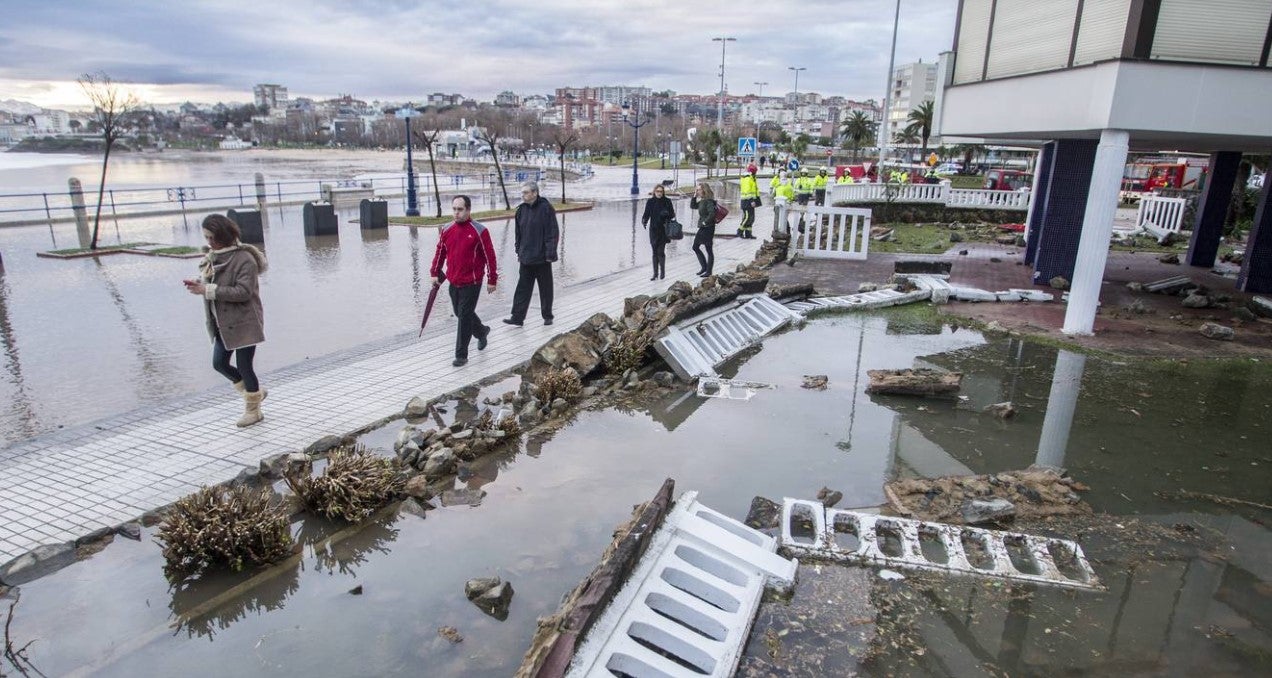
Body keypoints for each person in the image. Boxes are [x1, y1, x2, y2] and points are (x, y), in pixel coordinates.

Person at [183, 214, 268, 427]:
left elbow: (243, 292)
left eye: (212, 237)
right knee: (219, 363)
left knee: (244, 365)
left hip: (244, 322)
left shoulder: (244, 259)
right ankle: (254, 393)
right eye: (206, 237)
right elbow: (215, 285)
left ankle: (253, 409)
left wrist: (207, 289)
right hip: (221, 322)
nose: (209, 242)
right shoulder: (214, 257)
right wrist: (199, 285)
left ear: (224, 235)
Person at [431, 195, 498, 367]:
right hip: (454, 280)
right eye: (454, 209)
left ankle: (461, 355)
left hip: (472, 281)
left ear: (468, 210)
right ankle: (482, 331)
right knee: (460, 312)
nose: (456, 213)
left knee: (464, 316)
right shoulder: (446, 229)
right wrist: (435, 273)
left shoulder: (480, 230)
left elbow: (489, 256)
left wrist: (492, 279)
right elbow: (440, 252)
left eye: (460, 209)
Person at [504, 181, 558, 327]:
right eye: (522, 193)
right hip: (526, 258)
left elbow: (552, 232)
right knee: (522, 289)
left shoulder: (546, 208)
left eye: (526, 192)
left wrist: (550, 254)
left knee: (545, 288)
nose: (523, 195)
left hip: (542, 258)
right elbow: (518, 234)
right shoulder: (521, 210)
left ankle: (547, 315)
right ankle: (517, 317)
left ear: (535, 193)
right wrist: (518, 251)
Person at [640, 184, 675, 280]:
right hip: (653, 230)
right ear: (654, 192)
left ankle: (662, 271)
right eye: (657, 191)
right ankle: (655, 273)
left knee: (661, 251)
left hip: (663, 230)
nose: (659, 193)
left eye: (661, 191)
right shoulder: (651, 202)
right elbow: (646, 213)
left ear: (663, 192)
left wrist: (667, 214)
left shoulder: (667, 201)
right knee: (654, 251)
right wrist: (644, 220)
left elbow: (672, 214)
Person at [689, 182, 717, 277]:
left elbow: (712, 213)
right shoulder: (702, 201)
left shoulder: (708, 201)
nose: (697, 191)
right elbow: (693, 206)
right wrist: (694, 196)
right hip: (703, 227)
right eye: (697, 190)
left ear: (704, 190)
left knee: (709, 249)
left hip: (708, 228)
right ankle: (704, 267)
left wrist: (705, 222)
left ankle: (708, 271)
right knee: (695, 247)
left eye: (699, 190)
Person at [738, 163, 760, 239]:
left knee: (751, 218)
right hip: (746, 201)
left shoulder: (751, 178)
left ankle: (748, 234)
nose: (755, 173)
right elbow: (747, 191)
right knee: (747, 217)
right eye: (755, 172)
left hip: (750, 201)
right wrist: (751, 200)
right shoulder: (747, 178)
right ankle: (739, 231)